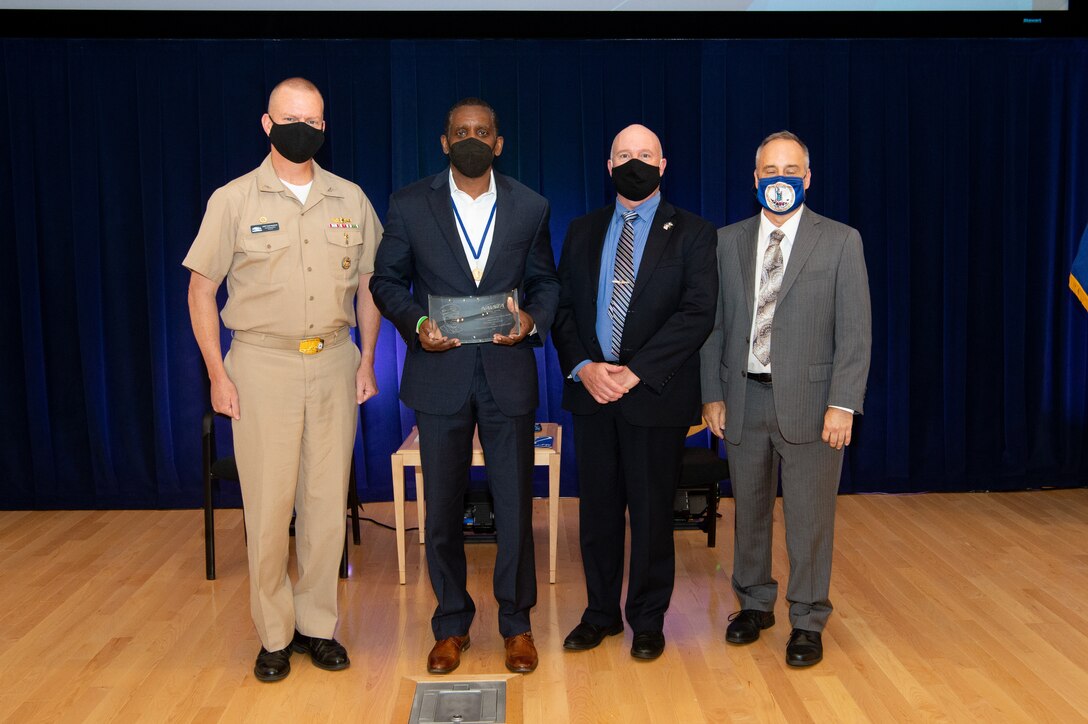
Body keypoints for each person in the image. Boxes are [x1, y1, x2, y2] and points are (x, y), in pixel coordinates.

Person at [183, 77, 382, 682]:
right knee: (269, 509)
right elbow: (200, 287)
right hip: (260, 365)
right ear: (267, 124)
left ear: (325, 129)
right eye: (291, 118)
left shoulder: (350, 199)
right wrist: (218, 374)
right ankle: (274, 634)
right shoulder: (234, 200)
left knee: (325, 507)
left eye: (315, 121)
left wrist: (368, 361)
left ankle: (318, 626)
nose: (304, 128)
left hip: (333, 362)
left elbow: (371, 286)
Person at [369, 97, 559, 675]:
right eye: (461, 131)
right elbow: (385, 281)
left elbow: (545, 284)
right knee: (443, 510)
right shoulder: (408, 205)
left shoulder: (531, 206)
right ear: (445, 142)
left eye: (482, 130)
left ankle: (517, 624)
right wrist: (416, 324)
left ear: (498, 143)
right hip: (439, 375)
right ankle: (450, 624)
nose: (472, 137)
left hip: (508, 374)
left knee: (514, 507)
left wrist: (530, 321)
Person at [700, 130, 871, 667]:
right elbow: (713, 327)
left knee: (809, 517)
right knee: (748, 509)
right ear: (755, 180)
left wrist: (844, 402)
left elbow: (856, 331)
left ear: (808, 178)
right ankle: (753, 604)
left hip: (815, 407)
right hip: (743, 401)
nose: (781, 179)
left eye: (791, 170)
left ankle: (808, 618)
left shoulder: (841, 241)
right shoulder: (726, 242)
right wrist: (712, 394)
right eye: (770, 170)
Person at [552, 124, 717, 661]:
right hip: (592, 392)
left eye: (645, 155)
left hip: (654, 394)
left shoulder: (692, 232)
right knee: (597, 513)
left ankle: (647, 619)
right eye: (624, 154)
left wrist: (635, 371)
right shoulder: (581, 230)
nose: (634, 162)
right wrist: (583, 366)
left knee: (650, 515)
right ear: (608, 165)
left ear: (663, 165)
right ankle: (599, 613)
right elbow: (564, 310)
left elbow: (697, 313)